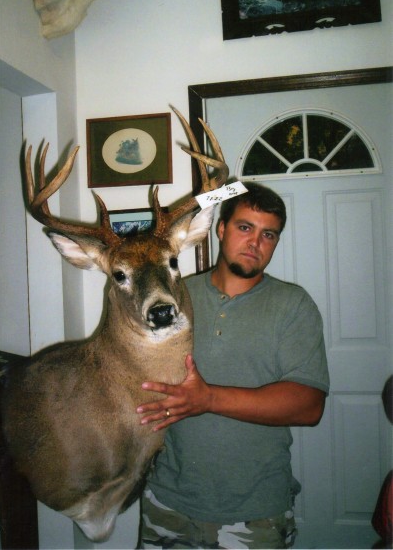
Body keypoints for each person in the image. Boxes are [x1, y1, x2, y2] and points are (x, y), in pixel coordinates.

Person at [136, 182, 330, 549]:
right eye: (245, 227)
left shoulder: (293, 305)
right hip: (168, 505)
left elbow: (309, 406)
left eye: (268, 234)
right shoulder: (176, 299)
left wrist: (208, 399)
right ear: (220, 229)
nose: (255, 243)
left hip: (255, 513)